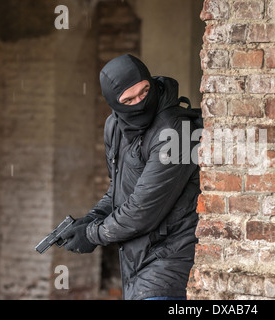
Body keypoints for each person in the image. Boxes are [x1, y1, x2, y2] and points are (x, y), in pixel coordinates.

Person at [61, 54, 201, 300]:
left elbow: (144, 209)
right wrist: (92, 218)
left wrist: (93, 234)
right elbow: (118, 189)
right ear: (114, 104)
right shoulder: (114, 127)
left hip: (171, 262)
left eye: (144, 92)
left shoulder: (176, 131)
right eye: (129, 100)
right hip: (137, 264)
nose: (139, 104)